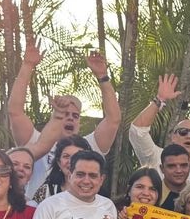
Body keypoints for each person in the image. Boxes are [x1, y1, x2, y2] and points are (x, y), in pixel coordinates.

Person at [7, 46, 122, 195]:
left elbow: (113, 119)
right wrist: (27, 65)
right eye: (64, 113)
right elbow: (15, 112)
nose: (70, 118)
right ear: (54, 116)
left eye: (75, 115)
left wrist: (103, 77)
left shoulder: (90, 145)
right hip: (37, 212)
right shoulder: (35, 141)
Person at [129, 74, 190, 185]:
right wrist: (159, 99)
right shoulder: (155, 157)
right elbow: (137, 131)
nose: (189, 136)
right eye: (183, 132)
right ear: (173, 137)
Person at [29, 150, 116, 219]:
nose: (86, 181)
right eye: (80, 175)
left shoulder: (108, 206)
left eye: (92, 176)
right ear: (70, 176)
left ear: (101, 180)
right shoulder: (49, 206)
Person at [31, 135, 92, 204]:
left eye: (77, 156)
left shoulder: (96, 190)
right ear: (59, 162)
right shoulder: (46, 192)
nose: (71, 161)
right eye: (66, 156)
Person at [157, 143, 190, 210]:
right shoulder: (152, 194)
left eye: (183, 165)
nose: (179, 171)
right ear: (162, 169)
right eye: (171, 166)